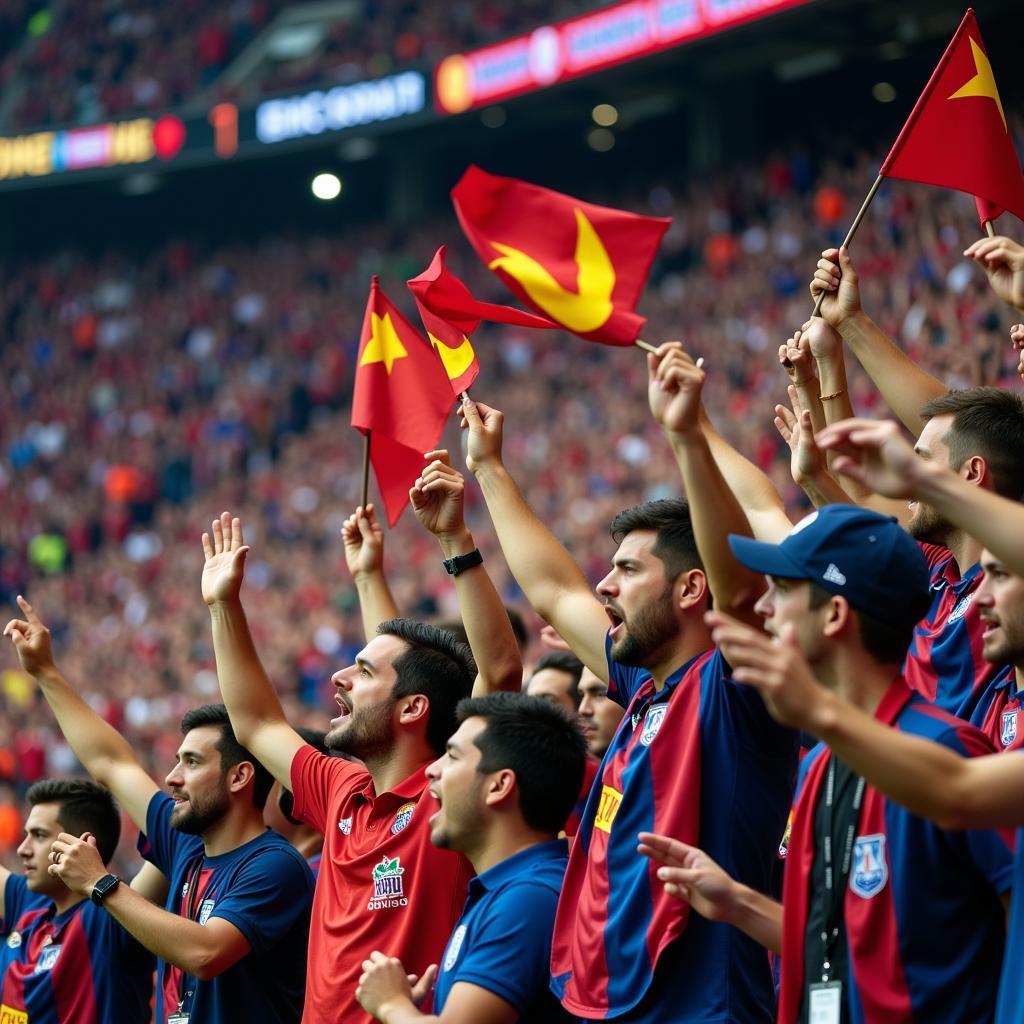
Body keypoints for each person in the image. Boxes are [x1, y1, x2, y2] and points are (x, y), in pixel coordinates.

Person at [460, 387, 797, 1023]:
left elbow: (742, 586)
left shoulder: (733, 686)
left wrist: (687, 439)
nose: (605, 585)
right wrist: (488, 468)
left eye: (628, 570)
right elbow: (555, 591)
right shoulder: (644, 690)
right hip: (604, 998)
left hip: (700, 1006)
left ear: (694, 587)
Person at [642, 504, 1012, 1022]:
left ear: (835, 614)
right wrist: (737, 903)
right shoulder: (820, 762)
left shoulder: (946, 752)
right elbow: (835, 946)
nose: (764, 608)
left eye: (783, 588)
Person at [201, 511, 477, 1023]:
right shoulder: (341, 789)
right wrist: (223, 606)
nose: (338, 675)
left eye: (364, 670)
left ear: (414, 709)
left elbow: (499, 672)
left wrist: (455, 541)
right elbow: (256, 722)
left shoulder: (452, 794)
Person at [3, 597, 314, 1024]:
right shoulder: (185, 841)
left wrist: (100, 882)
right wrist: (45, 672)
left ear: (240, 777)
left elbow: (205, 953)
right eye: (175, 761)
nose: (171, 778)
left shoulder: (275, 866)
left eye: (191, 762)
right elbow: (113, 764)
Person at [808, 249, 1024, 720]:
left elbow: (964, 428)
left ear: (972, 474)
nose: (910, 481)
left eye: (921, 464)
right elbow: (863, 493)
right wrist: (837, 341)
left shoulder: (1012, 578)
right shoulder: (934, 569)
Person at [355, 692, 585, 1023]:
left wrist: (391, 1005)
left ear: (499, 785)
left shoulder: (528, 898)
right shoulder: (510, 891)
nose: (432, 771)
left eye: (452, 756)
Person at [0, 779, 154, 1023]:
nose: (22, 849)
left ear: (80, 844)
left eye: (39, 835)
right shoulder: (27, 903)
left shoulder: (113, 919)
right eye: (25, 835)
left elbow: (175, 840)